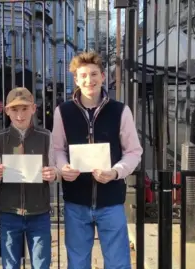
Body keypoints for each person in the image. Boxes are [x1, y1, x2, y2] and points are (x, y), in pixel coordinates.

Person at [52, 51, 143, 269]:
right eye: (83, 75)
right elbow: (56, 148)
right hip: (76, 201)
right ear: (76, 79)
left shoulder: (120, 111)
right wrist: (63, 166)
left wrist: (115, 172)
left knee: (118, 263)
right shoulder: (63, 111)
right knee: (77, 262)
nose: (89, 80)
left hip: (110, 200)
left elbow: (133, 151)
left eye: (94, 74)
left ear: (103, 77)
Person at [0, 87, 59, 269]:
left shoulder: (46, 136)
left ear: (34, 108)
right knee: (10, 263)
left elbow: (54, 170)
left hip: (39, 212)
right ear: (6, 110)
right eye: (14, 109)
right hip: (10, 211)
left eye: (24, 108)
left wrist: (53, 174)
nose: (20, 115)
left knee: (41, 262)